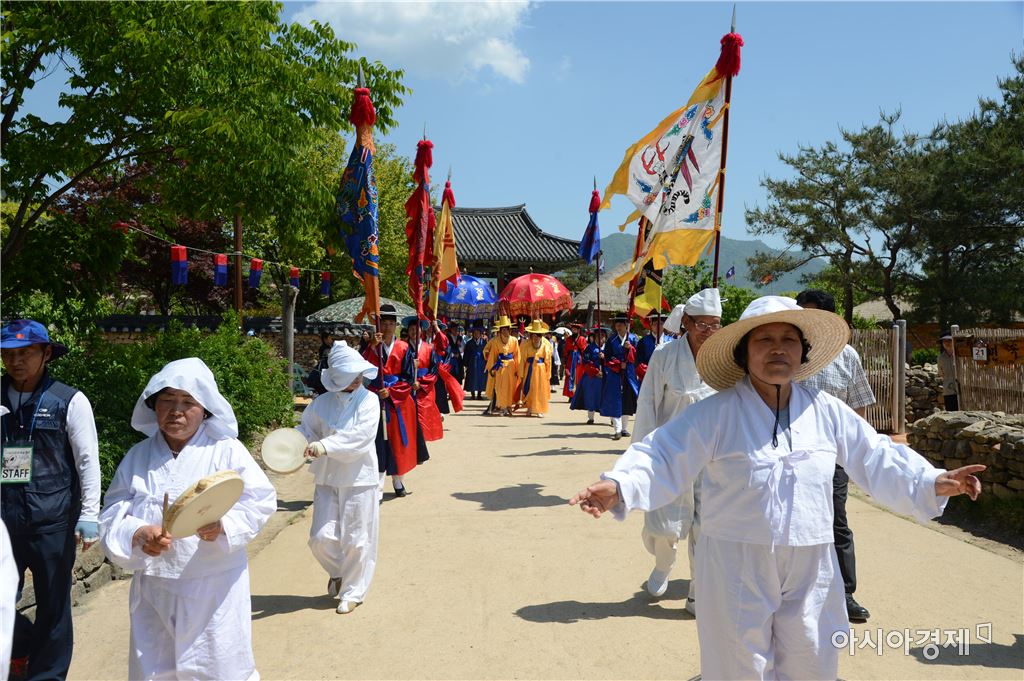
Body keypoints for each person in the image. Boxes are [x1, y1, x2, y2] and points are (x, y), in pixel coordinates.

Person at [571, 296, 985, 681]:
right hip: (735, 562)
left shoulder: (826, 411)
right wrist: (619, 483)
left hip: (811, 561)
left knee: (811, 656)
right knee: (739, 662)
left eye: (788, 339)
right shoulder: (715, 413)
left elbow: (874, 454)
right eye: (764, 339)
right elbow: (662, 452)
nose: (777, 348)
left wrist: (931, 481)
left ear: (803, 352)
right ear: (744, 352)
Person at [99, 357, 276, 680]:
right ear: (153, 406)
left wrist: (225, 525)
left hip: (212, 586)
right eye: (167, 400)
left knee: (217, 667)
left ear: (205, 409)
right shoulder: (138, 456)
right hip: (154, 587)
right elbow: (112, 511)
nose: (176, 410)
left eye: (188, 402)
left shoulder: (226, 450)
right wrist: (138, 532)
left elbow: (260, 500)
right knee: (155, 669)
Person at [1, 319, 101, 679]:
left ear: (46, 353)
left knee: (54, 608)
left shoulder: (69, 400)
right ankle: (22, 643)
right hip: (3, 523)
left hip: (53, 522)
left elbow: (87, 460)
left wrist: (89, 514)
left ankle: (47, 675)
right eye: (8, 354)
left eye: (25, 352)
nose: (15, 361)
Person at [632, 288, 722, 610]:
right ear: (686, 322)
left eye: (716, 325)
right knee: (663, 525)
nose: (709, 332)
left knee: (707, 526)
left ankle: (698, 588)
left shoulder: (724, 360)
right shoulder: (664, 357)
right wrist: (641, 458)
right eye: (702, 325)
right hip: (671, 454)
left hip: (711, 458)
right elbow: (647, 405)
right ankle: (663, 563)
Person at [796, 289, 877, 623]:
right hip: (790, 456)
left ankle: (845, 594)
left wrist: (856, 455)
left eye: (811, 314)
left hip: (832, 459)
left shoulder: (848, 356)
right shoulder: (789, 353)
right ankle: (795, 593)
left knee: (836, 522)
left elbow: (858, 408)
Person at [296, 342, 381, 615]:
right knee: (319, 538)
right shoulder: (321, 403)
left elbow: (360, 437)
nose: (357, 379)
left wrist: (325, 446)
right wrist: (298, 443)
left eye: (359, 373)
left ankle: (354, 591)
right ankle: (339, 572)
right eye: (350, 374)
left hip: (359, 476)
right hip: (328, 475)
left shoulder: (369, 400)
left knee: (357, 538)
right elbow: (306, 428)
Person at [363, 304, 430, 497]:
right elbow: (362, 371)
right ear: (378, 325)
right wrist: (372, 349)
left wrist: (391, 392)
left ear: (396, 325)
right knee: (377, 443)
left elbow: (408, 378)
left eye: (391, 324)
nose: (387, 328)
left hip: (397, 402)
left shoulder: (403, 347)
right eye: (383, 323)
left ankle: (398, 481)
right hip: (374, 398)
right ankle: (376, 484)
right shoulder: (371, 348)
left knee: (398, 443)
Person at [599, 314, 640, 440]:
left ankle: (624, 428)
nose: (618, 327)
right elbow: (607, 357)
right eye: (617, 325)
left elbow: (638, 356)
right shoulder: (611, 340)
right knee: (614, 399)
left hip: (628, 373)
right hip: (615, 373)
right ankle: (617, 429)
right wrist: (618, 364)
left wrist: (631, 348)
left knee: (627, 400)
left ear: (626, 326)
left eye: (621, 325)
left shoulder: (633, 339)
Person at [484, 316, 520, 417]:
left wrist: (518, 369)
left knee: (510, 387)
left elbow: (517, 355)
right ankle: (503, 407)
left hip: (511, 366)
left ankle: (509, 406)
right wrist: (492, 368)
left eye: (506, 329)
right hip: (500, 366)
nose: (505, 331)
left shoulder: (514, 340)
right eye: (503, 329)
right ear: (500, 330)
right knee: (500, 388)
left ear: (509, 330)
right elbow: (493, 355)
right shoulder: (495, 341)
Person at [569, 327, 606, 424]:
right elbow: (585, 362)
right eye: (598, 336)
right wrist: (595, 371)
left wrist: (604, 358)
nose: (600, 338)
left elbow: (613, 360)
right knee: (591, 396)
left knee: (607, 397)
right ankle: (591, 417)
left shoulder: (608, 348)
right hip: (592, 376)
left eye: (602, 336)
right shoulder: (589, 348)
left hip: (606, 376)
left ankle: (612, 418)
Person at [517, 320, 553, 417]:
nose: (536, 338)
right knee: (529, 388)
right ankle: (529, 407)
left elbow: (548, 361)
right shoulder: (526, 346)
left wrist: (548, 373)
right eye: (534, 335)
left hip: (540, 370)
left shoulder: (545, 346)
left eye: (538, 335)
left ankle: (539, 409)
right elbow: (522, 360)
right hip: (529, 369)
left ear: (541, 336)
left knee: (539, 389)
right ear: (531, 335)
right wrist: (521, 373)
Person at [635, 309, 669, 382]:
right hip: (648, 378)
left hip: (667, 378)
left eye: (661, 324)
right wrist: (651, 374)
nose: (658, 326)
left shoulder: (671, 341)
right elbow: (639, 362)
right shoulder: (643, 342)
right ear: (651, 324)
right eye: (656, 324)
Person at [462, 322, 488, 400]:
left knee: (481, 378)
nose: (476, 334)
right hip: (472, 363)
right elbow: (466, 354)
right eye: (475, 333)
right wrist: (465, 363)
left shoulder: (484, 342)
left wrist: (487, 362)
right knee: (471, 378)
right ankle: (473, 394)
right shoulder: (469, 343)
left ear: (480, 334)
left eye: (478, 333)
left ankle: (479, 394)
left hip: (481, 363)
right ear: (472, 334)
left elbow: (487, 353)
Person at [562, 324, 585, 400]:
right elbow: (566, 350)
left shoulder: (582, 339)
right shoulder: (569, 339)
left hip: (579, 360)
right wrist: (565, 360)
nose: (573, 331)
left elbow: (584, 350)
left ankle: (578, 395)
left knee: (579, 376)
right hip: (570, 360)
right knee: (570, 377)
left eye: (575, 329)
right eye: (573, 329)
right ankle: (570, 395)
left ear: (579, 330)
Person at [938, 330, 959, 411]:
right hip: (948, 390)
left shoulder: (960, 355)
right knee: (951, 413)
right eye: (944, 341)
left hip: (961, 390)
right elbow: (941, 373)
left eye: (949, 340)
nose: (947, 343)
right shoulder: (940, 358)